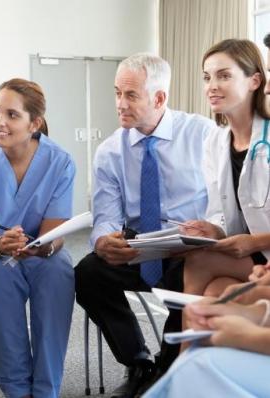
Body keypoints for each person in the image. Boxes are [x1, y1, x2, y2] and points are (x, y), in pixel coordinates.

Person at [74, 53, 215, 398]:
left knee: (189, 281)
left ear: (159, 98)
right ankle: (138, 363)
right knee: (88, 273)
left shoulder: (201, 134)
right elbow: (105, 213)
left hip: (189, 247)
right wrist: (104, 238)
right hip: (139, 247)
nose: (120, 104)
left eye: (131, 95)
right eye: (117, 93)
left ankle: (167, 370)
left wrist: (209, 228)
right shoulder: (110, 151)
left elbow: (223, 201)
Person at [0, 78, 76, 398]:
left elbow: (54, 233)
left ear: (34, 123)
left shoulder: (60, 162)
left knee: (58, 270)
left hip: (39, 248)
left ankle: (46, 389)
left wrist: (44, 246)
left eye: (11, 114)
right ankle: (17, 389)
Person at [181, 39, 270, 302]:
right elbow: (220, 213)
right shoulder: (215, 142)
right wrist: (213, 231)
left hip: (262, 249)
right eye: (207, 77)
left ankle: (181, 344)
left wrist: (254, 242)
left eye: (224, 76)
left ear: (254, 81)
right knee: (216, 291)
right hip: (248, 253)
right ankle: (189, 343)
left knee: (200, 261)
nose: (212, 86)